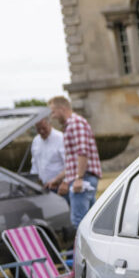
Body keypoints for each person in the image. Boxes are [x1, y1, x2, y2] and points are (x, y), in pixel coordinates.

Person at [48, 95, 103, 227]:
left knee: (79, 222)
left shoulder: (76, 123)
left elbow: (82, 152)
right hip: (83, 179)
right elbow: (73, 162)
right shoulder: (70, 126)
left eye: (53, 112)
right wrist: (58, 179)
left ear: (62, 109)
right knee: (93, 222)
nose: (53, 116)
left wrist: (79, 178)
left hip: (84, 180)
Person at [30, 118, 66, 194]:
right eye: (38, 129)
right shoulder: (36, 141)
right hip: (43, 186)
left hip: (60, 186)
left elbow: (69, 165)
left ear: (50, 124)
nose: (41, 131)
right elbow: (34, 164)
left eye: (44, 128)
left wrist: (64, 182)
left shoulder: (61, 138)